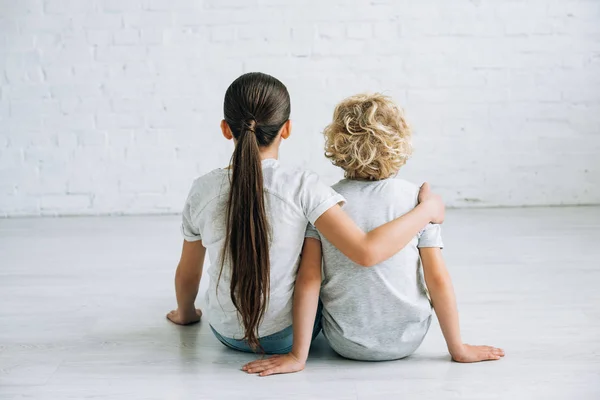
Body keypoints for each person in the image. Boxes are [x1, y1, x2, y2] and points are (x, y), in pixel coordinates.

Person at [166, 74, 444, 361]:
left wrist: (184, 314)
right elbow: (365, 251)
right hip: (284, 337)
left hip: (226, 334)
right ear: (286, 129)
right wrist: (426, 210)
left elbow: (188, 271)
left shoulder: (202, 190)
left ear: (226, 129)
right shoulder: (303, 187)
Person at [243, 93, 503, 376]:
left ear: (337, 143)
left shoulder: (324, 199)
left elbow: (309, 279)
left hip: (345, 342)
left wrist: (297, 356)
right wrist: (458, 349)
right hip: (408, 341)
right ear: (400, 144)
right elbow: (436, 279)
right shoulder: (417, 200)